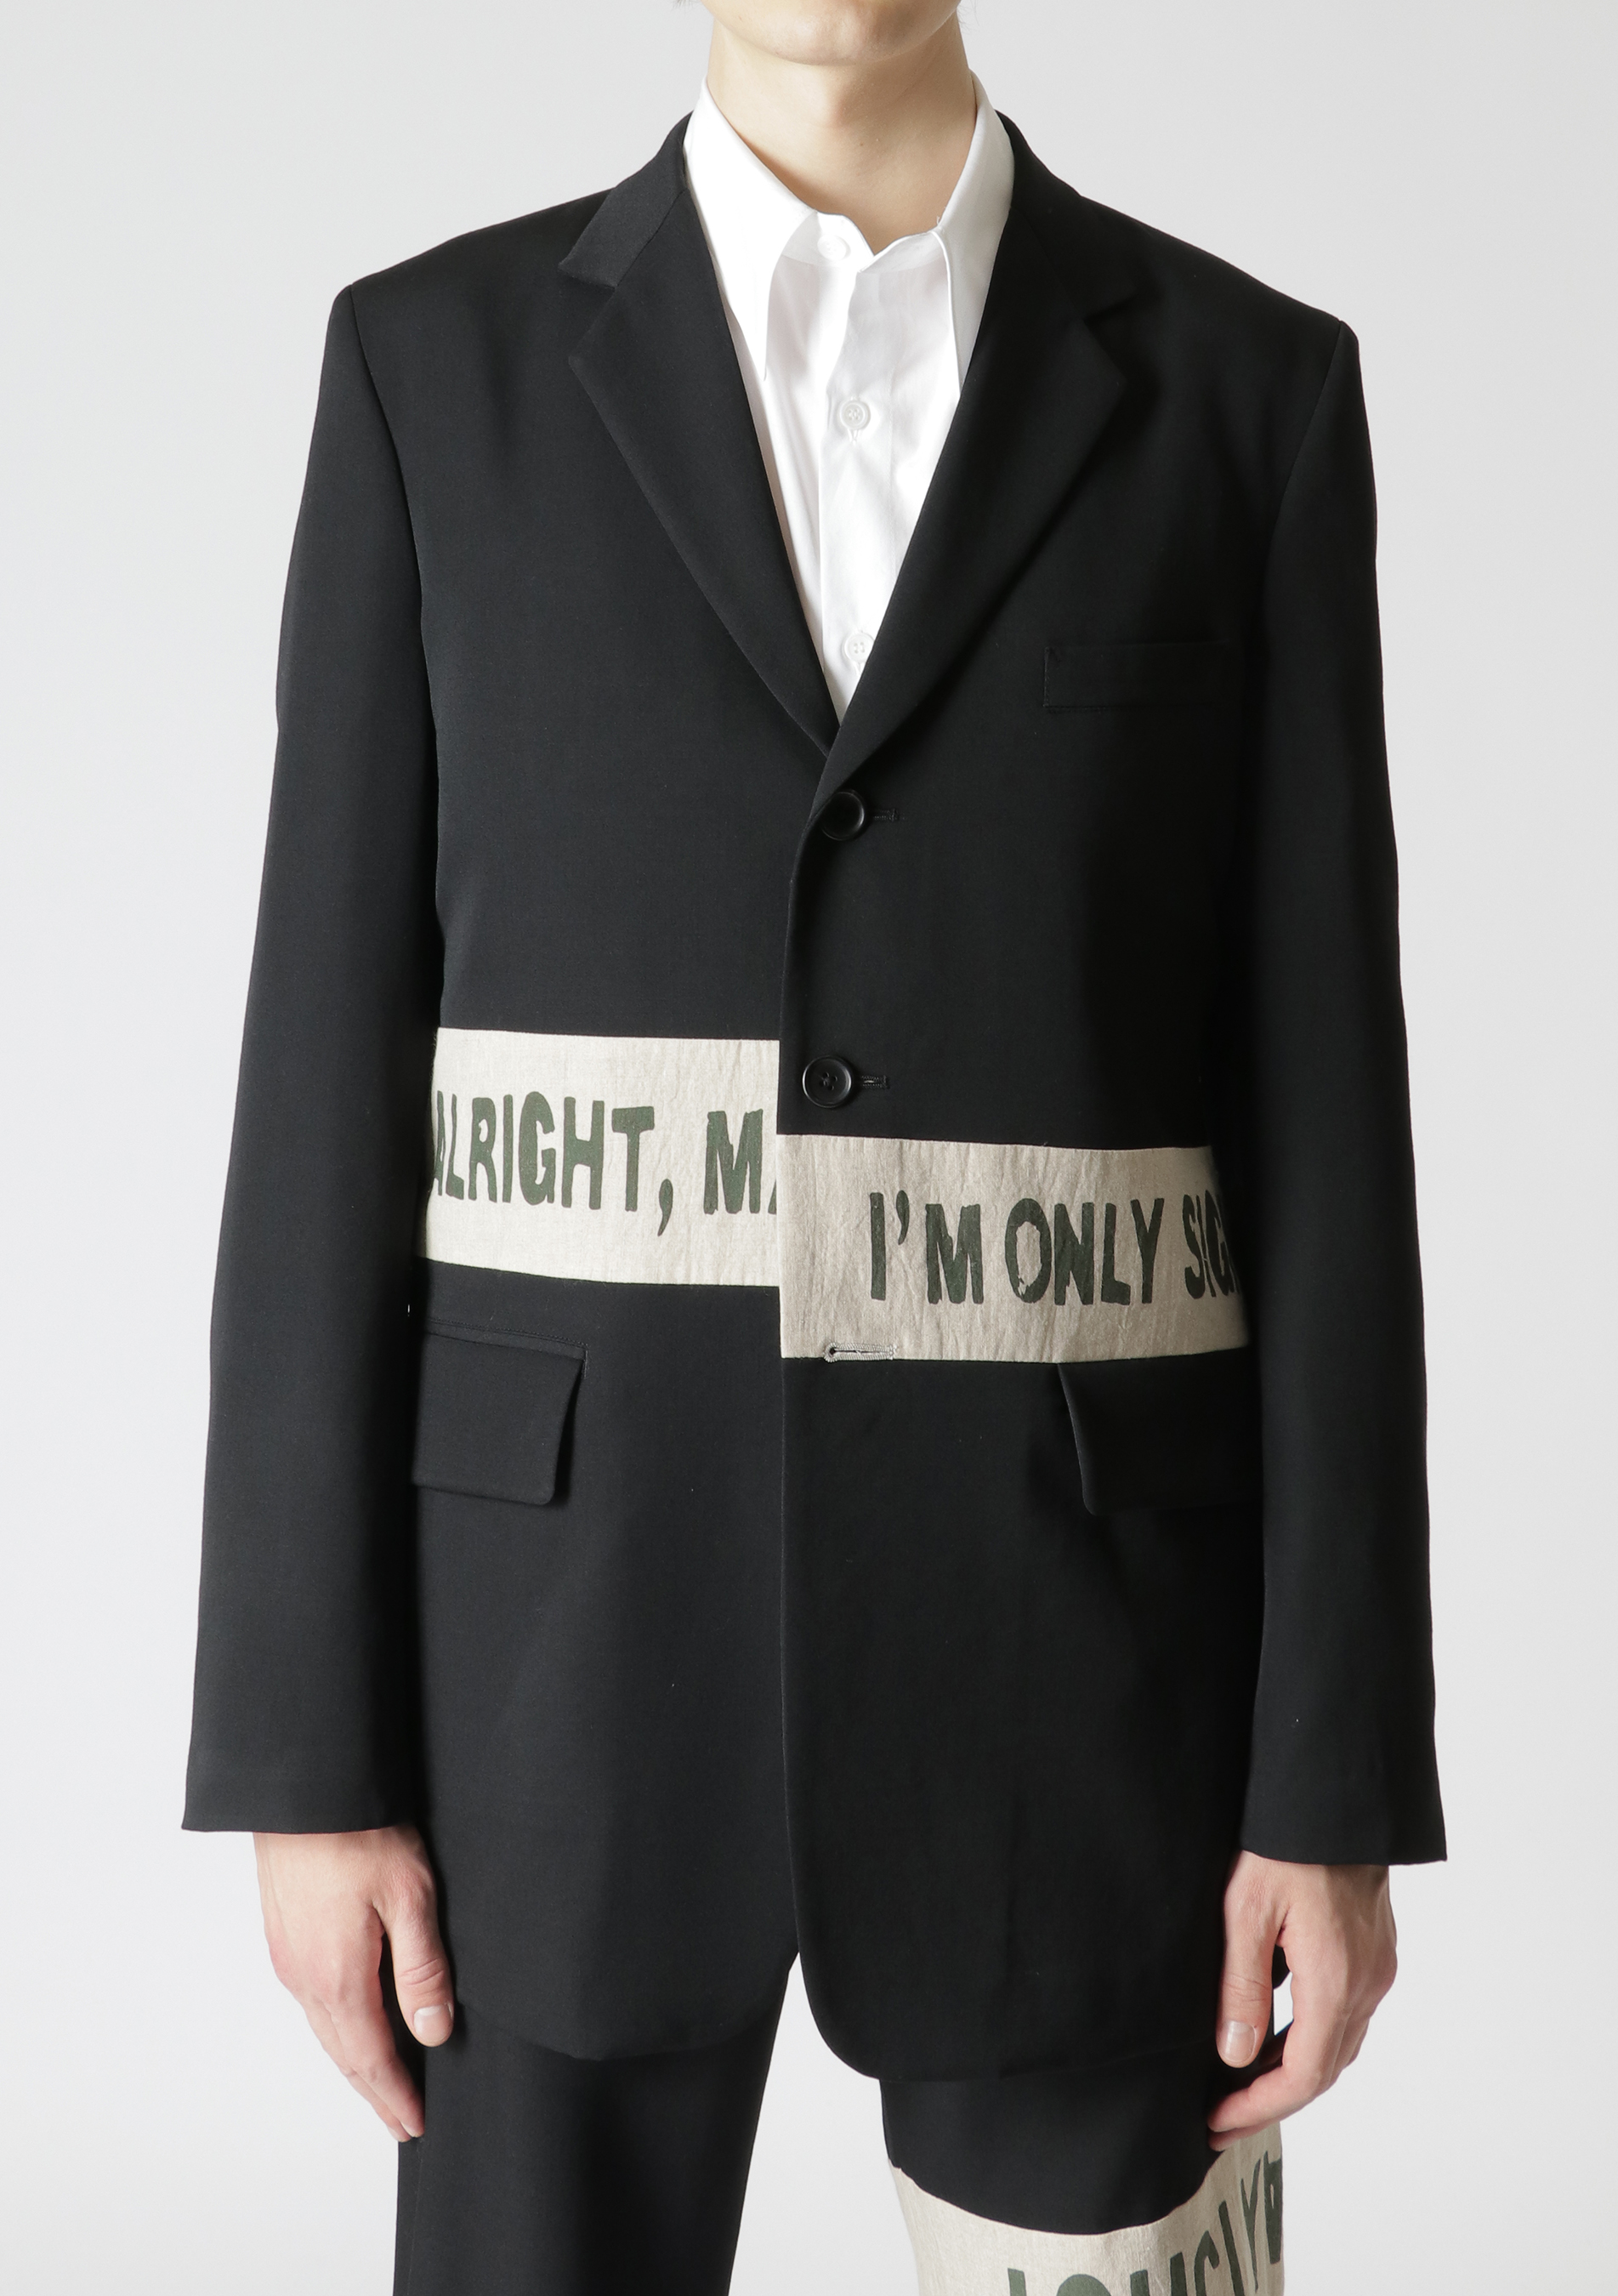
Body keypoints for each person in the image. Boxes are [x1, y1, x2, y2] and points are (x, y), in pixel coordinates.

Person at [185, 3, 1445, 2288]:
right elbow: (319, 1098)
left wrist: (1331, 1775)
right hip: (543, 1699)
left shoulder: (1248, 398)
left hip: (1101, 1699)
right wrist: (304, 1750)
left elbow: (1329, 1127)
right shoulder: (429, 377)